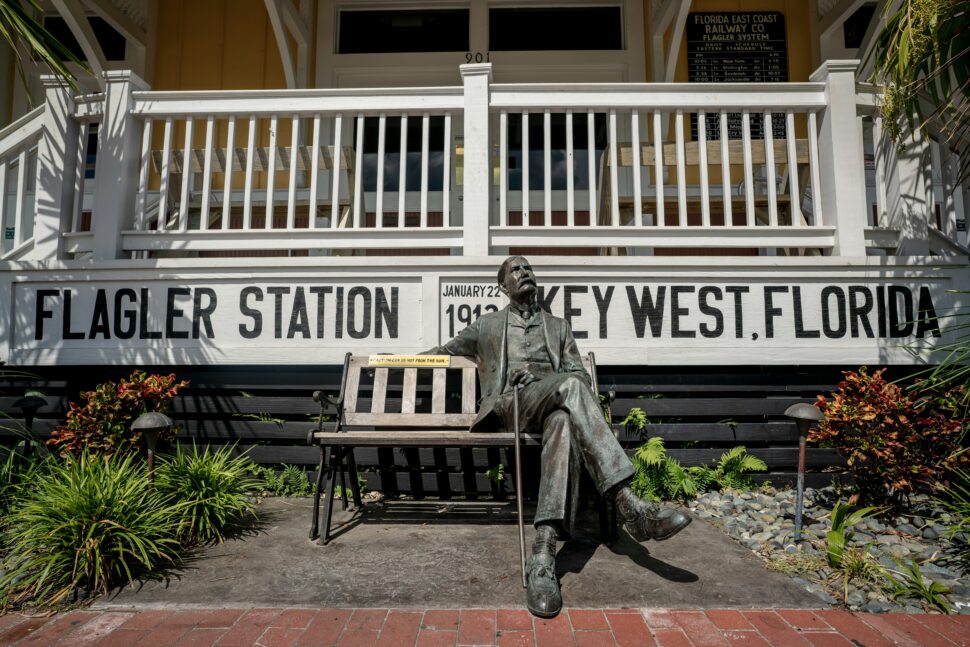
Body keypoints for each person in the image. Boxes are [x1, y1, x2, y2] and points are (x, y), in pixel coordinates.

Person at [425, 255, 690, 618]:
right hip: (510, 406)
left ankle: (543, 555)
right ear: (503, 286)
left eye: (528, 268)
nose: (524, 273)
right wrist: (388, 362)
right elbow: (443, 352)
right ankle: (626, 502)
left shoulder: (558, 327)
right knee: (566, 388)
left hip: (553, 407)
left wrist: (553, 385)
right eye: (515, 270)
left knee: (565, 417)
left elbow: (579, 376)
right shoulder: (487, 325)